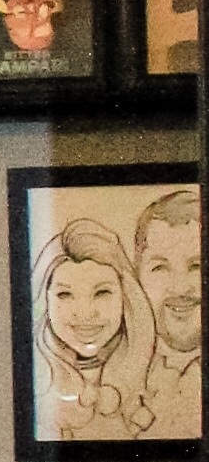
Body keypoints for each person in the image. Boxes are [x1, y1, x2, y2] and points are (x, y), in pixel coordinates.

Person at [31, 213, 152, 434]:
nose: (85, 314)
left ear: (125, 296)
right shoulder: (34, 388)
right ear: (45, 301)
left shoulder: (153, 377)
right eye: (65, 294)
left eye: (102, 292)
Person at [132, 184, 200, 435]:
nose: (180, 288)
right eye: (160, 268)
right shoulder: (117, 376)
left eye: (197, 266)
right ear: (137, 277)